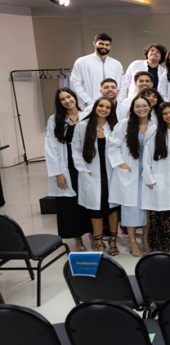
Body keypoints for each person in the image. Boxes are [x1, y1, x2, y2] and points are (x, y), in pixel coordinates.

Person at [45, 88, 91, 251]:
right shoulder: (54, 120)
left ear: (74, 97)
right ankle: (77, 238)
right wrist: (57, 173)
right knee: (70, 205)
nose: (67, 100)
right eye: (62, 99)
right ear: (59, 102)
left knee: (89, 202)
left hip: (86, 166)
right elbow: (50, 147)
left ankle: (93, 233)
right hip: (67, 167)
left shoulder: (87, 115)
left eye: (69, 97)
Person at [71, 97, 119, 254]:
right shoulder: (82, 126)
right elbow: (76, 150)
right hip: (91, 173)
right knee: (95, 209)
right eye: (101, 106)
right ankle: (99, 242)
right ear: (95, 107)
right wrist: (83, 169)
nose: (104, 109)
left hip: (111, 174)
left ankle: (113, 240)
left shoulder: (114, 127)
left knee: (113, 208)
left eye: (107, 107)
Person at [108, 96, 153, 257]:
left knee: (148, 207)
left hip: (148, 172)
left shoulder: (154, 125)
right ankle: (133, 241)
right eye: (138, 106)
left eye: (144, 105)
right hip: (130, 171)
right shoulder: (124, 125)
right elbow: (113, 145)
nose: (141, 109)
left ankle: (146, 238)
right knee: (131, 208)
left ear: (149, 107)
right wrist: (120, 163)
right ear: (133, 109)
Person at [142, 102, 170, 257]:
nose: (169, 115)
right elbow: (146, 156)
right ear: (161, 116)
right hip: (161, 177)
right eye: (165, 113)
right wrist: (149, 177)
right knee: (163, 212)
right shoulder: (155, 131)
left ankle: (162, 244)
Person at [70, 33, 123, 110]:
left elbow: (122, 85)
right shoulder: (82, 62)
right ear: (95, 43)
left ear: (110, 46)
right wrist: (88, 101)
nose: (104, 46)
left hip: (114, 107)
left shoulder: (116, 64)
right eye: (101, 44)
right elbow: (75, 84)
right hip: (90, 106)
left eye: (107, 45)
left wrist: (119, 101)